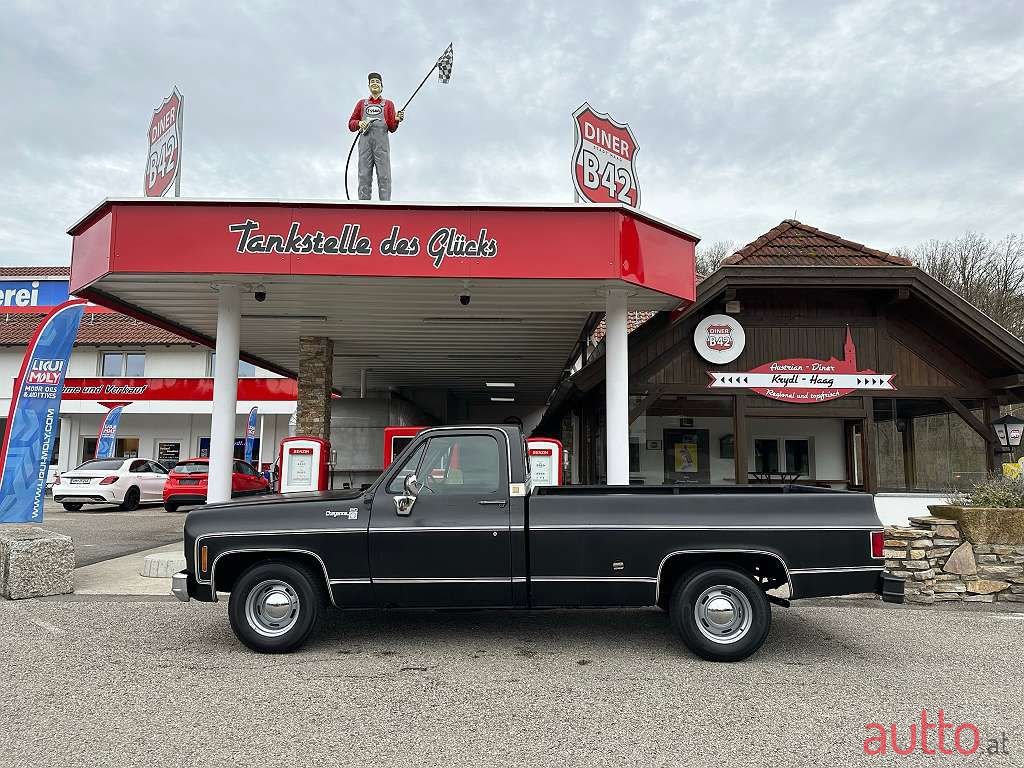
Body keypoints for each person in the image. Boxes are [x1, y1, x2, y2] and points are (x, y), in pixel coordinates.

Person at [348, 72, 404, 200]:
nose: (375, 84)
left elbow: (391, 127)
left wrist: (397, 119)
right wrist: (359, 123)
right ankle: (363, 205)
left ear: (381, 86)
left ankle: (385, 205)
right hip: (365, 144)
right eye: (372, 82)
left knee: (384, 175)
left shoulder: (388, 104)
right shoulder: (362, 104)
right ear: (368, 86)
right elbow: (351, 124)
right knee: (364, 175)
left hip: (381, 145)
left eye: (377, 82)